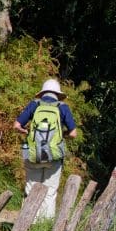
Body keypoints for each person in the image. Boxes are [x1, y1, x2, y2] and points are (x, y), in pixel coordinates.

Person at [14, 78, 78, 220]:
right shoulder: (63, 107)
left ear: (42, 92)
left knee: (31, 188)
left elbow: (16, 125)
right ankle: (44, 227)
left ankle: (27, 224)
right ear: (58, 94)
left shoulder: (34, 104)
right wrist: (62, 134)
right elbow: (74, 133)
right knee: (49, 192)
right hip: (54, 156)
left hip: (32, 154)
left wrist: (26, 132)